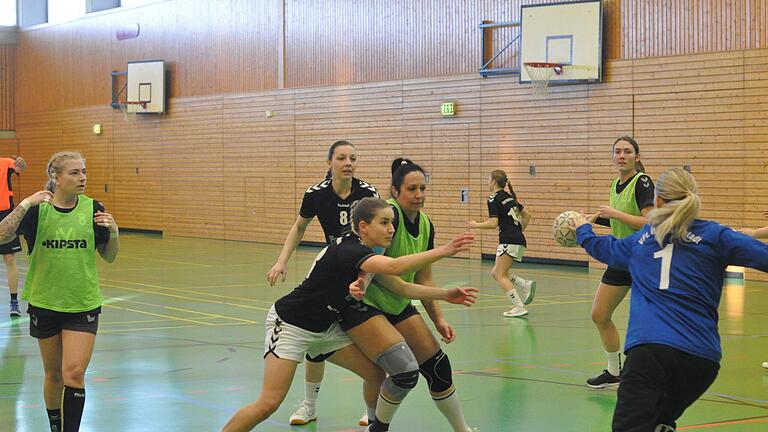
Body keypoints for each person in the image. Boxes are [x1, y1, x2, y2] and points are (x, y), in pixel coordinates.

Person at [221, 197, 477, 432]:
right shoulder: (350, 249)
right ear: (363, 226)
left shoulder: (366, 252)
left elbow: (400, 286)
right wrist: (444, 250)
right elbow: (397, 266)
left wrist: (444, 294)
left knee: (376, 374)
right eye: (384, 223)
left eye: (392, 223)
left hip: (327, 328)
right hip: (291, 324)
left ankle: (375, 427)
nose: (391, 229)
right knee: (269, 403)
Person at [572, 167, 768, 431]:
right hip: (701, 362)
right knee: (658, 422)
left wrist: (583, 230)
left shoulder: (642, 240)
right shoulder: (716, 235)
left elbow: (604, 249)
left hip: (650, 354)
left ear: (658, 201)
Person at [0, 151, 119, 432]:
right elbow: (2, 235)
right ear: (56, 177)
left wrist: (113, 231)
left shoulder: (92, 208)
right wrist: (25, 203)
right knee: (53, 374)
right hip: (46, 301)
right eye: (74, 173)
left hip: (82, 302)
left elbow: (110, 256)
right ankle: (55, 426)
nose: (82, 178)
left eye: (84, 171)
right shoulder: (37, 210)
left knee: (74, 372)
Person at [265, 140, 379, 426]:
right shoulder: (315, 194)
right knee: (315, 340)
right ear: (329, 163)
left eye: (353, 157)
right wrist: (281, 260)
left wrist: (367, 276)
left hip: (362, 266)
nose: (348, 163)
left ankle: (372, 409)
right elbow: (299, 226)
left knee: (367, 337)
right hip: (333, 268)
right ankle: (309, 406)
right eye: (341, 158)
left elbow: (379, 236)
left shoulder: (367, 193)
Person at [361, 158, 477, 432]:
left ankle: (462, 429)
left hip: (399, 304)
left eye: (422, 188)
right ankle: (377, 427)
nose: (419, 195)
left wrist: (438, 319)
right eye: (411, 189)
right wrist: (443, 293)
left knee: (438, 368)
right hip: (368, 306)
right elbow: (376, 270)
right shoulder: (388, 218)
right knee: (403, 371)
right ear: (395, 191)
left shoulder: (426, 223)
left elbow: (424, 276)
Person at [584, 136, 655, 388]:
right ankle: (615, 372)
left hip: (644, 258)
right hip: (620, 256)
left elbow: (650, 221)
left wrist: (614, 213)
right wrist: (591, 220)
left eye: (627, 151)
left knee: (648, 321)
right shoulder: (615, 183)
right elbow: (622, 221)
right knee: (599, 314)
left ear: (637, 156)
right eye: (617, 151)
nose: (621, 155)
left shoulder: (642, 182)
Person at [468, 169, 534, 317]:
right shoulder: (510, 198)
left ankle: (519, 306)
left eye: (488, 179)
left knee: (500, 275)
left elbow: (493, 223)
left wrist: (475, 225)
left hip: (508, 240)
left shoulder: (493, 198)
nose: (487, 182)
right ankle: (524, 284)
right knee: (496, 273)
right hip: (517, 239)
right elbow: (527, 216)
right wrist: (518, 232)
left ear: (493, 182)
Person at [0, 155, 27, 317]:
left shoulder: (5, 163)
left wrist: (22, 165)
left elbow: (19, 168)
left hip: (5, 216)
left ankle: (14, 302)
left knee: (9, 258)